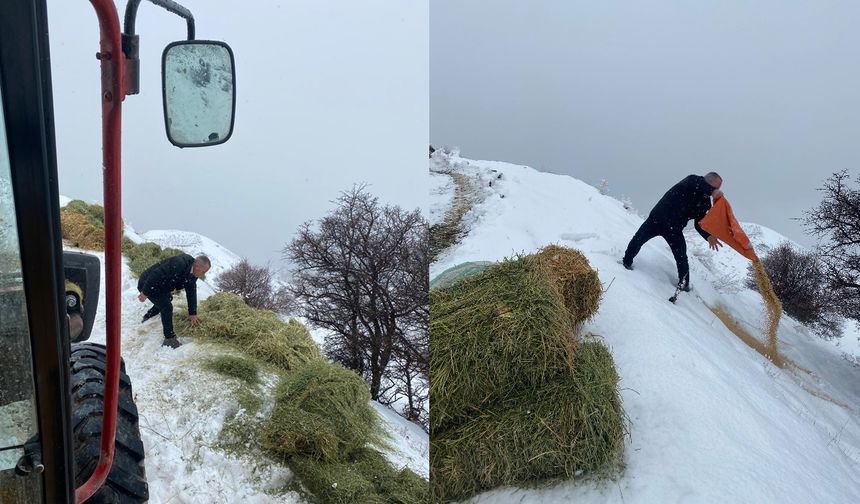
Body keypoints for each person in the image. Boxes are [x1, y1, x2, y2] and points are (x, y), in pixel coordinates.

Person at [622, 172, 724, 291]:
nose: (716, 191)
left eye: (717, 188)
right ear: (707, 181)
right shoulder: (692, 181)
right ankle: (626, 263)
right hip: (656, 220)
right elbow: (698, 184)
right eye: (715, 187)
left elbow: (699, 223)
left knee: (681, 257)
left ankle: (684, 285)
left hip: (674, 230)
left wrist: (708, 236)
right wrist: (712, 191)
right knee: (637, 241)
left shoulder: (705, 202)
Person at [138, 253, 210, 348]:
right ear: (197, 266)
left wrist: (192, 313)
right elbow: (156, 274)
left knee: (167, 299)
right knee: (167, 307)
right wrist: (145, 292)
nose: (203, 275)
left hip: (161, 285)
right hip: (147, 283)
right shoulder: (179, 264)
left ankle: (149, 315)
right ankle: (169, 338)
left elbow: (191, 291)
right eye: (204, 272)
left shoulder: (193, 273)